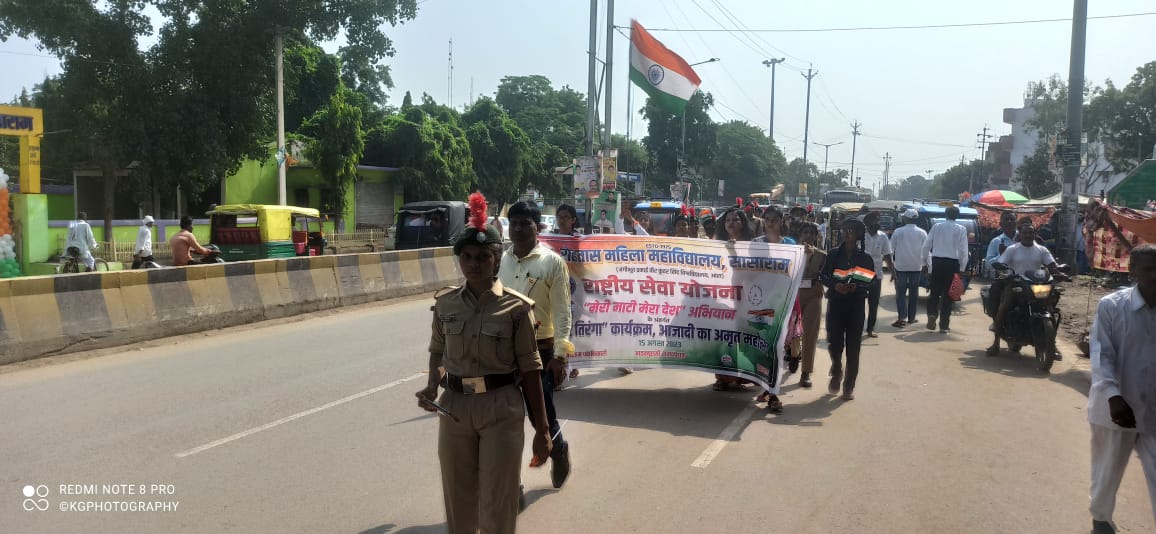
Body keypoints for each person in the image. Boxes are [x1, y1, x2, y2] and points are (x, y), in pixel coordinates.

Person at [416, 195, 551, 533]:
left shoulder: (517, 308)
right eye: (467, 256)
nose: (473, 264)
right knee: (458, 501)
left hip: (500, 408)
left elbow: (531, 370)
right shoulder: (446, 304)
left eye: (482, 257)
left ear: (496, 259)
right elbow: (438, 351)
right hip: (454, 408)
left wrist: (543, 429)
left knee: (497, 501)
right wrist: (432, 386)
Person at [498, 201, 574, 490]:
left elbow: (563, 311)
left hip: (540, 351)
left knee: (540, 415)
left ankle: (559, 449)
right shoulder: (500, 261)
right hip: (504, 352)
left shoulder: (552, 262)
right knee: (505, 419)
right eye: (514, 223)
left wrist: (560, 356)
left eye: (525, 223)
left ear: (537, 227)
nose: (518, 228)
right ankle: (512, 484)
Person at [1086, 244, 1156, 534]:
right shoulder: (1112, 306)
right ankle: (1101, 520)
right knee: (1107, 472)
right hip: (1116, 409)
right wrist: (1113, 396)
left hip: (1153, 408)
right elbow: (1102, 354)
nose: (1155, 275)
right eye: (1148, 269)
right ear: (1133, 271)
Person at [986, 223, 1069, 356]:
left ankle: (1052, 345)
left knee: (1050, 308)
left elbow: (1052, 265)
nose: (1028, 235)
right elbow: (1002, 263)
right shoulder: (1012, 249)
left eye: (1031, 233)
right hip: (1016, 285)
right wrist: (1003, 271)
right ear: (1020, 234)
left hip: (1036, 285)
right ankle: (995, 343)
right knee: (1004, 307)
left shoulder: (1041, 250)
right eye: (1025, 233)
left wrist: (1059, 272)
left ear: (1034, 234)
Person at [821, 218, 874, 400]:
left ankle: (849, 385)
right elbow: (823, 276)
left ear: (858, 234)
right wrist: (835, 285)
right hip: (836, 304)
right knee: (834, 343)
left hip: (856, 306)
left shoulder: (865, 258)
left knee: (853, 347)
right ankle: (837, 369)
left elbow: (870, 282)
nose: (845, 233)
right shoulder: (834, 254)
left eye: (850, 230)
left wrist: (857, 287)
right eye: (843, 229)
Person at [921, 206, 969, 333]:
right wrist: (962, 268)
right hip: (952, 264)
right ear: (957, 216)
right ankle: (944, 325)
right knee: (949, 295)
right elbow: (964, 251)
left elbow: (926, 246)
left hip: (937, 262)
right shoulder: (961, 229)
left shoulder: (936, 227)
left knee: (934, 292)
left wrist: (925, 263)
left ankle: (932, 314)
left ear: (945, 214)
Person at [794, 222, 827, 388]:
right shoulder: (791, 253)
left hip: (813, 293)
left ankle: (806, 371)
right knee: (793, 331)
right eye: (805, 232)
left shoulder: (822, 255)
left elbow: (824, 275)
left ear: (816, 236)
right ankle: (793, 355)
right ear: (800, 235)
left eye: (811, 233)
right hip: (794, 294)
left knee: (810, 333)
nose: (808, 235)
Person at [889, 209, 928, 327]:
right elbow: (926, 251)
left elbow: (891, 250)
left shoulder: (898, 231)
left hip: (901, 267)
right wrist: (926, 265)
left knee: (900, 293)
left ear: (905, 219)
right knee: (913, 293)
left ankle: (902, 318)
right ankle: (911, 318)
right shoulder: (922, 232)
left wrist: (891, 266)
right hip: (916, 267)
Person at [861, 212, 894, 337]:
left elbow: (887, 255)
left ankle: (870, 329)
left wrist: (893, 272)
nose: (877, 223)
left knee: (873, 304)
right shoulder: (861, 236)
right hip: (860, 274)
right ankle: (857, 327)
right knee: (859, 303)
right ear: (867, 223)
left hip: (876, 274)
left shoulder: (883, 236)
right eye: (875, 221)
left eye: (878, 221)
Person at [985, 212, 1018, 278]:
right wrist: (1001, 255)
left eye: (1012, 219)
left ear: (1016, 223)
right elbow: (988, 265)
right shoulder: (996, 241)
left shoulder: (1024, 239)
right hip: (1004, 280)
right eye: (1006, 219)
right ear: (1001, 224)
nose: (1009, 222)